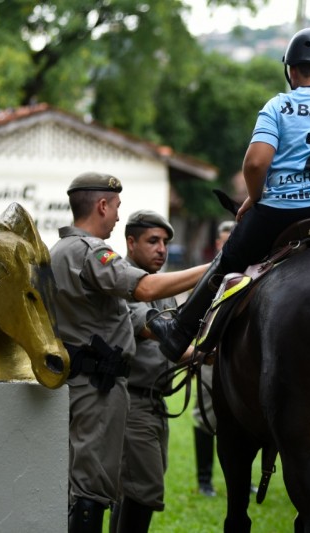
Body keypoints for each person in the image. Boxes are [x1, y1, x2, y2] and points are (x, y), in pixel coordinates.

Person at [150, 27, 310, 361]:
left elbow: (255, 165)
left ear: (292, 70)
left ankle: (179, 332)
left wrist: (256, 198)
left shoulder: (279, 106)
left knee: (229, 260)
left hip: (282, 210)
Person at [50, 172, 208, 533]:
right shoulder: (90, 252)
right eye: (117, 207)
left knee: (91, 484)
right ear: (102, 205)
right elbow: (146, 289)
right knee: (93, 489)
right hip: (97, 387)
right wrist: (217, 267)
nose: (119, 216)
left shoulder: (59, 251)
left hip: (84, 382)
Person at [111, 210, 192, 531]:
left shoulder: (160, 287)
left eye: (165, 242)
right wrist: (200, 353)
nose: (162, 249)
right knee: (143, 491)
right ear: (131, 242)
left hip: (153, 402)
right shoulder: (122, 281)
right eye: (153, 241)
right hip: (133, 403)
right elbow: (151, 328)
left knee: (132, 490)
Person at [193, 220, 235, 497]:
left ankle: (238, 478)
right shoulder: (209, 277)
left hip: (240, 357)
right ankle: (205, 480)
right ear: (218, 243)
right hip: (212, 354)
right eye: (224, 240)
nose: (228, 244)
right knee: (206, 414)